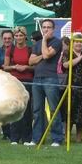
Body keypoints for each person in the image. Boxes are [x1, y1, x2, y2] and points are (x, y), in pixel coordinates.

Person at [26, 19, 64, 147]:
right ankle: (37, 139)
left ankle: (57, 139)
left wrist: (43, 44)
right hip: (37, 79)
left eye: (49, 27)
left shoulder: (57, 42)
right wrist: (42, 53)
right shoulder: (37, 44)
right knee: (37, 110)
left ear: (53, 29)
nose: (46, 29)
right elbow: (30, 62)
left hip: (51, 79)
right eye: (44, 27)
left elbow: (47, 56)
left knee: (54, 109)